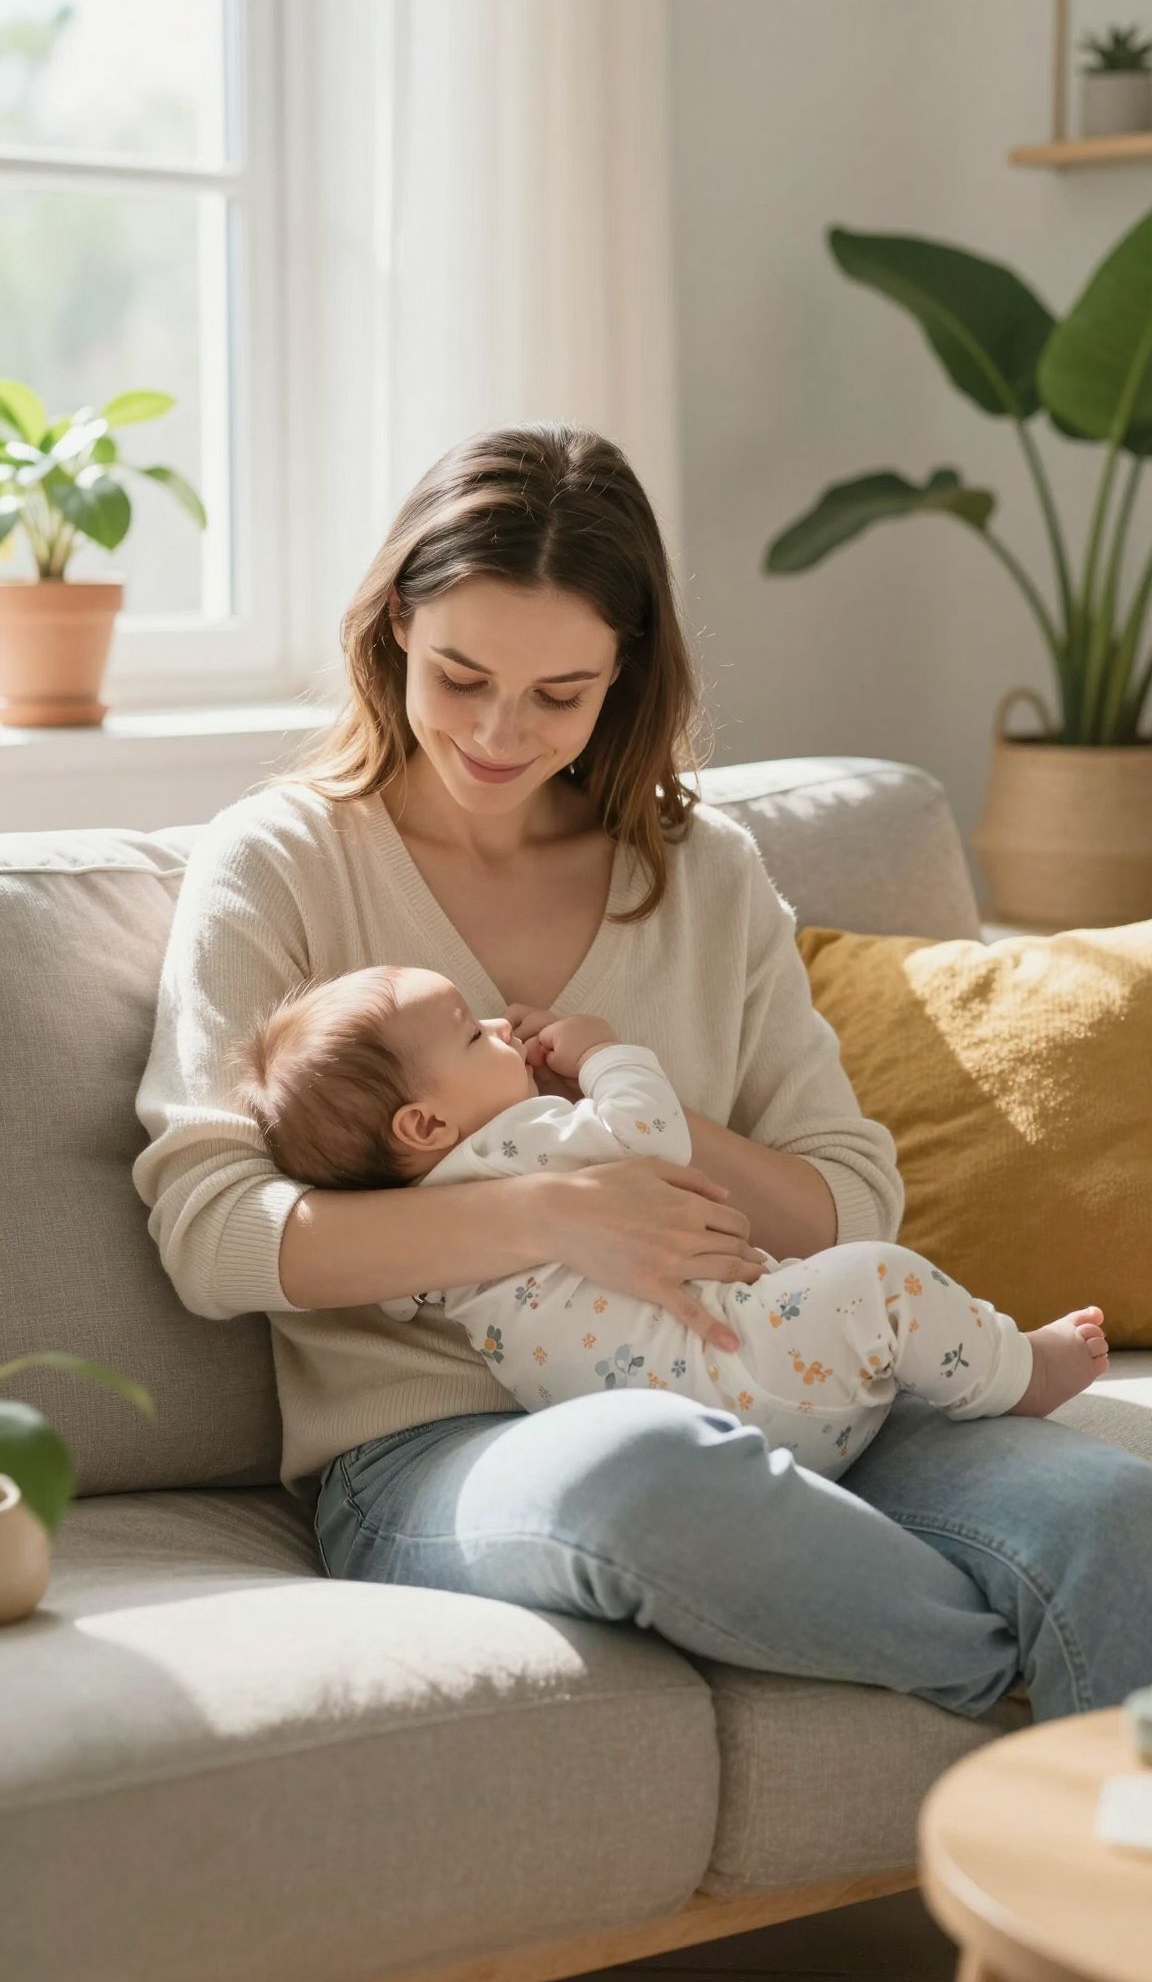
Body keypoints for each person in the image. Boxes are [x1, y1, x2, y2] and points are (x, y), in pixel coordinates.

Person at [134, 420, 1152, 1725]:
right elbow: (216, 1235)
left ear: (626, 673)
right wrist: (555, 1213)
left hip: (776, 1380)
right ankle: (1018, 1696)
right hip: (446, 1449)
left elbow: (853, 1206)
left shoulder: (704, 872)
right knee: (648, 1474)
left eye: (560, 694)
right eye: (460, 675)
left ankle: (1096, 1904)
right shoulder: (282, 863)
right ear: (394, 627)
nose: (500, 733)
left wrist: (648, 1135)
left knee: (1116, 1515)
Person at [233, 969, 1108, 1481]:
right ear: (424, 1126)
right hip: (746, 1374)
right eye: (473, 1037)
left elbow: (386, 1302)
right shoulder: (527, 1139)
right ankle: (1013, 1370)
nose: (501, 1025)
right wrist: (604, 1052)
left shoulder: (413, 1246)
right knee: (881, 1279)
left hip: (685, 1438)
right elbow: (651, 1133)